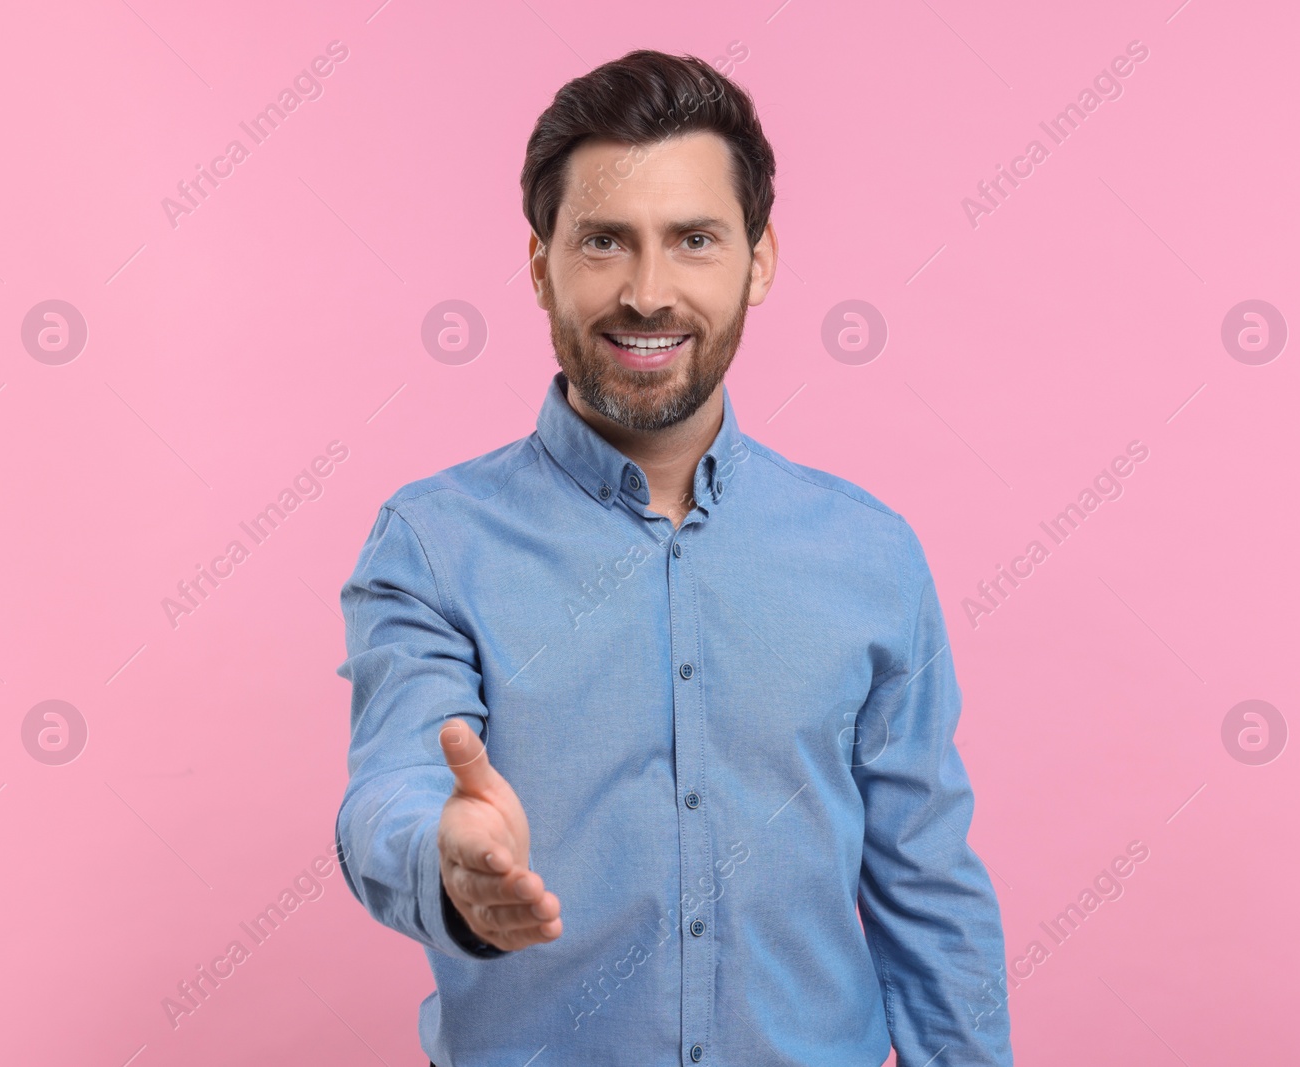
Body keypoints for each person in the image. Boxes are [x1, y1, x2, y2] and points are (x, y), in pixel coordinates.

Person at [335, 47, 1013, 1066]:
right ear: (538, 264)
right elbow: (391, 782)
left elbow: (927, 885)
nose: (647, 293)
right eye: (604, 240)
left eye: (693, 239)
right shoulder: (434, 542)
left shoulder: (870, 554)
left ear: (759, 257)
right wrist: (446, 864)